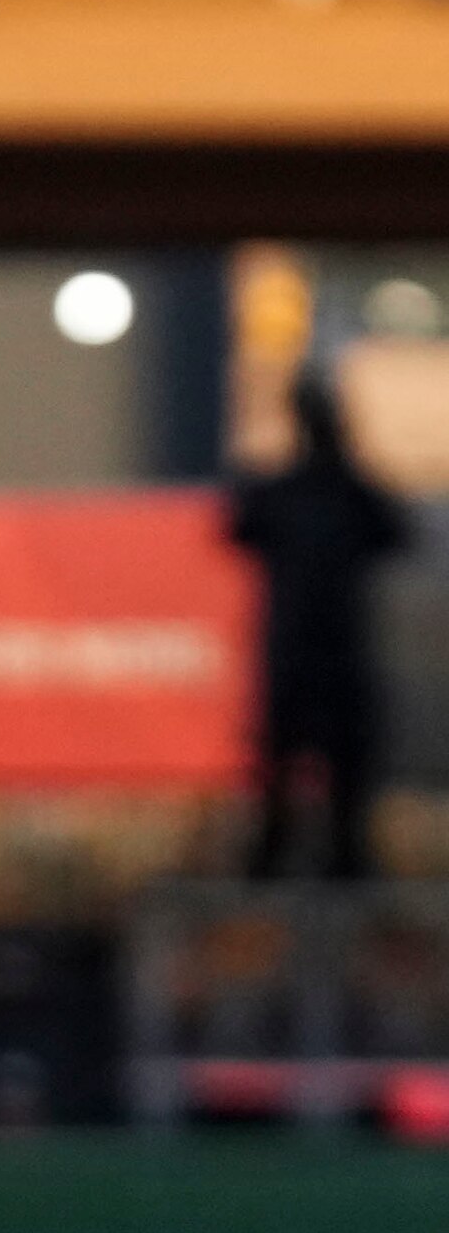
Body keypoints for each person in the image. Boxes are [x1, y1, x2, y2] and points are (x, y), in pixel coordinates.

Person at [230, 366, 407, 884]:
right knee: (279, 761)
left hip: (332, 646)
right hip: (296, 646)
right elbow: (239, 529)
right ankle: (275, 849)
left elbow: (392, 532)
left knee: (342, 764)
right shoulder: (285, 493)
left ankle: (338, 854)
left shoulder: (348, 493)